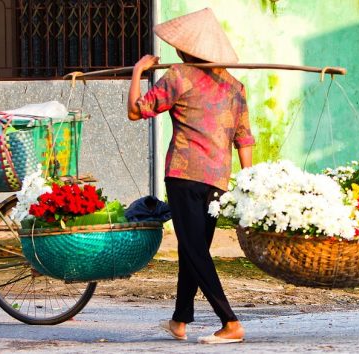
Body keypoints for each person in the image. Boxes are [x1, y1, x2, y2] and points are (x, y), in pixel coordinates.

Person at [127, 8, 255, 344]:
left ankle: (230, 322)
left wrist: (139, 71)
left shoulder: (178, 76)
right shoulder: (235, 85)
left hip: (183, 175)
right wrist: (249, 182)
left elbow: (135, 111)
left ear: (186, 50)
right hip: (218, 181)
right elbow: (244, 138)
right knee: (192, 249)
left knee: (195, 250)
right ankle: (180, 319)